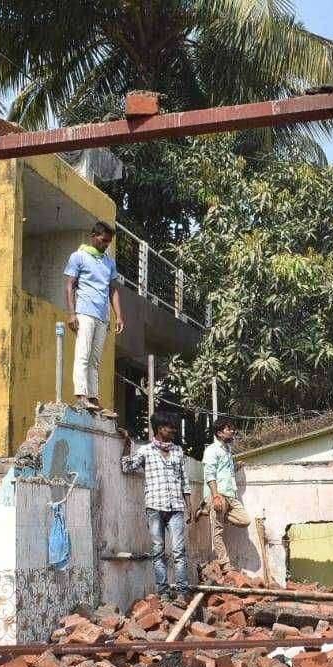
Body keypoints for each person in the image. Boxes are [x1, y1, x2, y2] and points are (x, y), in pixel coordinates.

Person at [119, 413, 192, 601]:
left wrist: (189, 506)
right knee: (158, 551)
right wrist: (127, 443)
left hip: (175, 507)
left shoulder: (178, 451)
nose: (174, 430)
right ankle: (163, 593)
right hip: (154, 507)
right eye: (170, 427)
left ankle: (182, 593)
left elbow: (184, 481)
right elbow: (127, 467)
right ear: (160, 429)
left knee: (179, 551)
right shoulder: (146, 451)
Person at [65, 221, 124, 416]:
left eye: (108, 242)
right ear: (93, 236)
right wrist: (72, 313)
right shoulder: (78, 256)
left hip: (103, 316)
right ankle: (81, 395)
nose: (106, 244)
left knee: (95, 360)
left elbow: (113, 289)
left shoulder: (109, 261)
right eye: (103, 240)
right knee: (83, 353)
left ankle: (93, 397)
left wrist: (118, 316)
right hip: (84, 311)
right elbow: (70, 285)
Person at [201, 417, 251, 570]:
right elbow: (210, 475)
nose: (232, 431)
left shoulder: (228, 451)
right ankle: (225, 564)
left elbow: (224, 471)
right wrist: (215, 496)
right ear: (219, 433)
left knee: (245, 520)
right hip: (219, 495)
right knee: (218, 531)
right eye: (228, 429)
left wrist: (236, 466)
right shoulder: (211, 450)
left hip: (231, 495)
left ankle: (207, 510)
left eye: (232, 428)